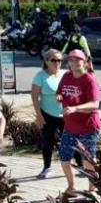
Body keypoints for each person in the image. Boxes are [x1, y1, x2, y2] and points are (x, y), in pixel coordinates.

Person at [56, 49, 101, 194]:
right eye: (71, 60)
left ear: (85, 62)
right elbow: (60, 91)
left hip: (88, 127)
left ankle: (92, 189)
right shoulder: (66, 76)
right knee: (64, 158)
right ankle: (71, 186)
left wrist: (75, 108)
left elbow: (95, 105)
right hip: (70, 127)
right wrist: (59, 97)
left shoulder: (89, 80)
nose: (74, 63)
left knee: (88, 160)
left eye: (78, 60)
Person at [31, 49, 70, 179]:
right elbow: (34, 97)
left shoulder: (66, 74)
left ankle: (79, 166)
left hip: (66, 115)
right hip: (47, 114)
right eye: (54, 60)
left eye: (60, 60)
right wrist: (39, 115)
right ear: (46, 61)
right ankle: (47, 168)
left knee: (71, 140)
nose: (57, 63)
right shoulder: (40, 76)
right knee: (48, 141)